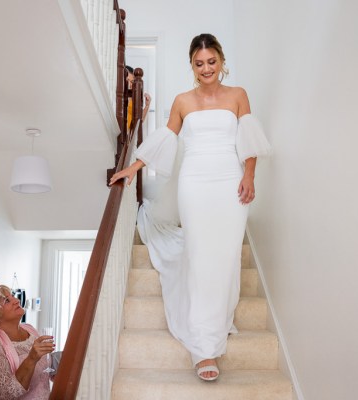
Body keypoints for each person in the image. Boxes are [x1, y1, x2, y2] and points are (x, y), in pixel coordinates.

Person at [110, 33, 271, 381]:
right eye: (199, 63)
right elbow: (165, 139)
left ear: (221, 61)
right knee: (198, 256)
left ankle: (217, 320)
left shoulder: (238, 95)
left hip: (230, 182)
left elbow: (249, 142)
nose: (206, 68)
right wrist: (131, 168)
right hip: (194, 183)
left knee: (226, 257)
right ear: (192, 66)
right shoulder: (183, 100)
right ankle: (203, 348)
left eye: (212, 61)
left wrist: (249, 176)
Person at [0, 282, 54, 399]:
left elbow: (45, 371)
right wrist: (31, 359)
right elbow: (5, 395)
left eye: (12, 296)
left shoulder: (30, 329)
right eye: (7, 301)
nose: (17, 300)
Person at [126, 65, 151, 130]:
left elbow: (140, 120)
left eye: (132, 82)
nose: (130, 84)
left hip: (129, 134)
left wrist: (147, 106)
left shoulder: (134, 97)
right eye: (127, 80)